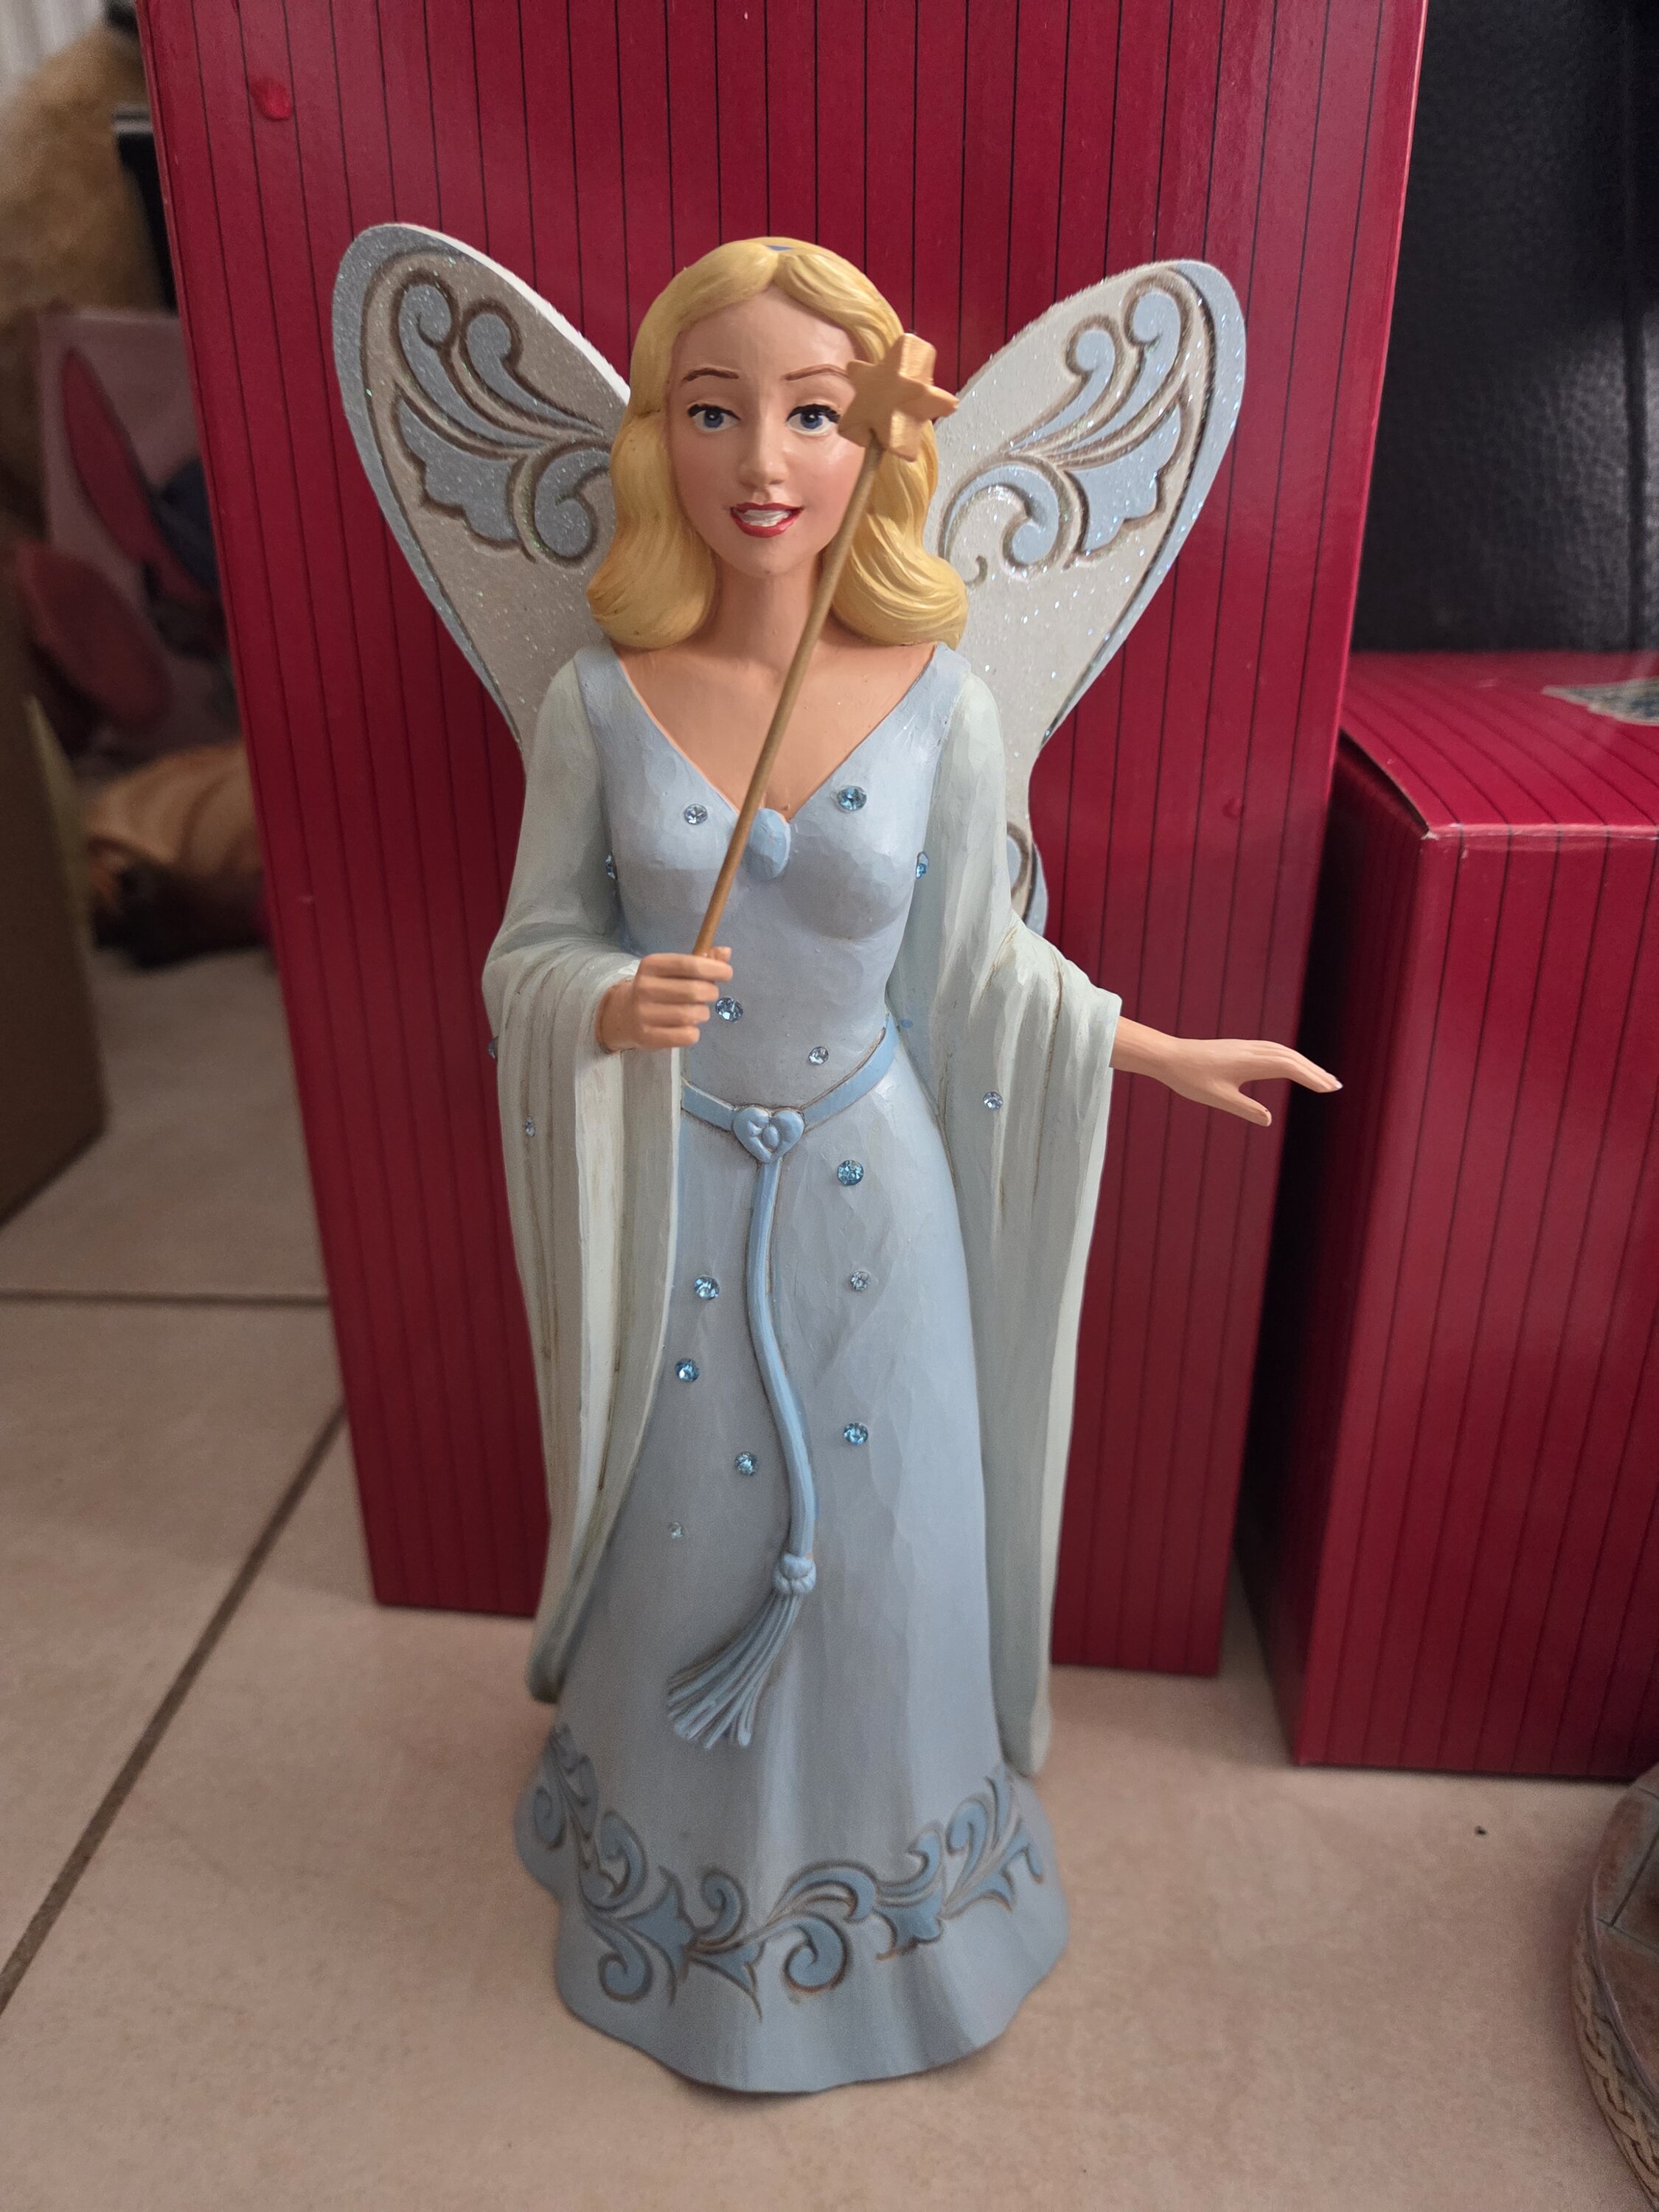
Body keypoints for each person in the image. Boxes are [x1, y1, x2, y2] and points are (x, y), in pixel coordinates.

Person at [484, 237, 1335, 2093]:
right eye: (715, 410)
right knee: (686, 1529)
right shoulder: (596, 703)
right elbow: (525, 949)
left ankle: (898, 1894)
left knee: (884, 1549)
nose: (762, 459)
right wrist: (605, 998)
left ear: (881, 440)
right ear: (658, 438)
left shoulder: (946, 702)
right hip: (686, 1194)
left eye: (814, 413)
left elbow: (982, 973)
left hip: (878, 1201)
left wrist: (1148, 1047)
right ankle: (674, 1879)